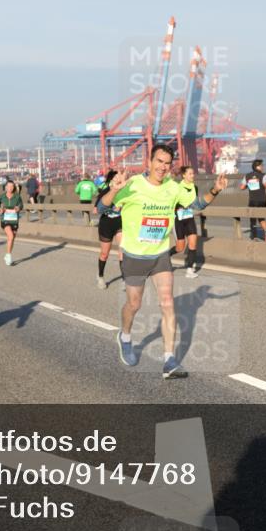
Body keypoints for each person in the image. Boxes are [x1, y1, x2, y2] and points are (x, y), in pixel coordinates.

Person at [98, 144, 228, 379]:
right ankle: (125, 336)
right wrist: (114, 190)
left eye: (167, 163)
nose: (163, 167)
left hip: (159, 255)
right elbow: (101, 208)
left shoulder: (173, 187)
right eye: (159, 161)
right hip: (135, 256)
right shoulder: (133, 185)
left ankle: (169, 360)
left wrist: (215, 190)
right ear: (149, 161)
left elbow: (195, 205)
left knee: (167, 303)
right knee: (134, 305)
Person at [95, 170, 123, 288]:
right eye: (116, 178)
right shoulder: (105, 192)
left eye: (120, 178)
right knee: (104, 254)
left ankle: (125, 280)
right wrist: (110, 207)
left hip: (120, 223)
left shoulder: (124, 191)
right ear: (111, 180)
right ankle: (100, 276)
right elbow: (96, 210)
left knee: (123, 253)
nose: (119, 180)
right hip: (106, 224)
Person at [239, 159, 266, 241]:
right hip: (261, 200)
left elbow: (242, 187)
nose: (263, 167)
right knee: (262, 219)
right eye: (261, 165)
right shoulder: (263, 176)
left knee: (252, 220)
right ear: (257, 166)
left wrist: (249, 184)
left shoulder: (247, 176)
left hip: (252, 201)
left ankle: (254, 237)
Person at [174, 166, 201, 278]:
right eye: (190, 173)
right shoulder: (177, 187)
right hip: (179, 219)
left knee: (193, 244)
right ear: (184, 175)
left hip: (189, 218)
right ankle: (164, 257)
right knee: (180, 247)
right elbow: (171, 202)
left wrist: (194, 208)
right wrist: (177, 208)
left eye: (193, 173)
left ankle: (189, 270)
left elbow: (194, 203)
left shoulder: (195, 187)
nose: (192, 175)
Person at [0, 180, 24, 266]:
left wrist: (18, 208)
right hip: (5, 219)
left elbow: (21, 205)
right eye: (9, 186)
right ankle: (9, 256)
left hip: (14, 219)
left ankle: (7, 254)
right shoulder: (1, 197)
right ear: (5, 187)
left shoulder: (17, 197)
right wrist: (0, 210)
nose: (10, 188)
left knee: (11, 239)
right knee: (11, 236)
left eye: (12, 187)